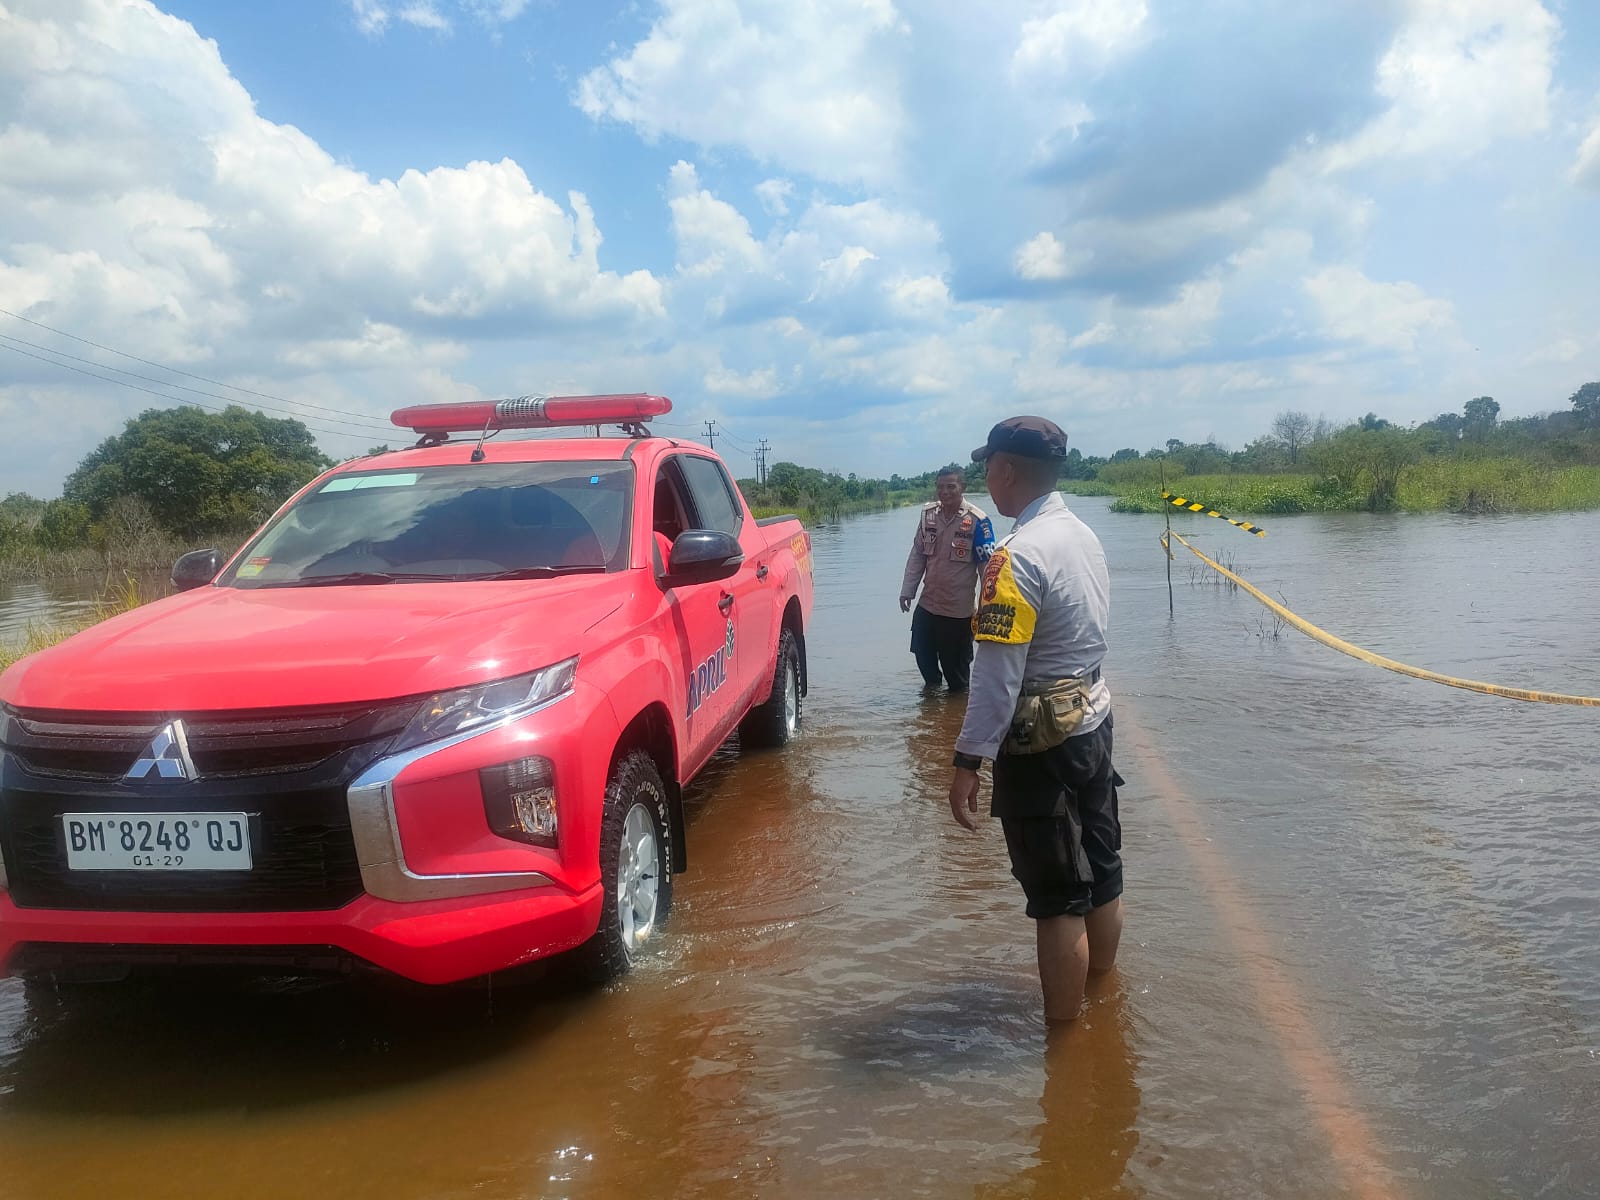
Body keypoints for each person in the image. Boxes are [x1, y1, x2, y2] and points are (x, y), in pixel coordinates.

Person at [946, 416, 1122, 1025]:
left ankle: (1065, 1046)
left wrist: (968, 762)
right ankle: (1104, 1001)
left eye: (988, 465)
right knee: (1102, 871)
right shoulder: (1083, 537)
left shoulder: (1013, 558)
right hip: (1094, 721)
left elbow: (995, 679)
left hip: (1040, 740)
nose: (985, 476)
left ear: (1006, 470)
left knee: (1056, 902)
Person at [898, 466, 995, 691]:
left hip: (958, 613)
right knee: (923, 659)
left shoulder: (978, 521)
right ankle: (931, 711)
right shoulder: (928, 516)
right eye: (940, 487)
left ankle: (955, 719)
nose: (945, 492)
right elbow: (917, 555)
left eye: (951, 486)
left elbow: (987, 569)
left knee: (957, 676)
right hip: (928, 604)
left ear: (963, 488)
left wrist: (984, 607)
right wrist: (907, 590)